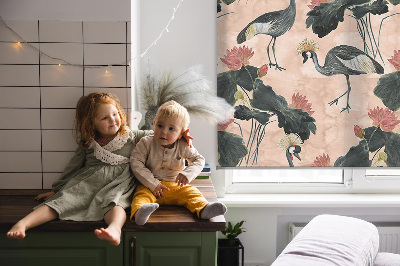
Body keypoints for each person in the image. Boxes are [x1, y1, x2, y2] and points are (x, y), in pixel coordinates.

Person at [6, 92, 151, 246]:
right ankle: (24, 223)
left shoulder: (132, 136)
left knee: (115, 203)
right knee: (63, 200)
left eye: (115, 114)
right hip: (89, 182)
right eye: (104, 118)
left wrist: (179, 132)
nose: (113, 120)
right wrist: (57, 189)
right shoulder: (89, 143)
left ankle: (114, 230)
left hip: (119, 183)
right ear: (91, 123)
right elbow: (73, 167)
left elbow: (156, 136)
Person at [130, 100, 227, 225]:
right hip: (150, 187)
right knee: (140, 196)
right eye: (160, 125)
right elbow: (136, 162)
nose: (164, 131)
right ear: (154, 123)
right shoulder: (146, 142)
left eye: (171, 129)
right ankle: (140, 212)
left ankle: (203, 209)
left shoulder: (183, 145)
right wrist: (152, 183)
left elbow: (199, 160)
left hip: (175, 186)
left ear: (182, 133)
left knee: (192, 193)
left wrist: (188, 174)